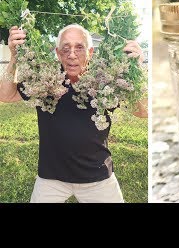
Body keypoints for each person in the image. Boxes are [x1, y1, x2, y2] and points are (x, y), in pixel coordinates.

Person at [0, 24, 148, 203]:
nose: (72, 54)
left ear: (90, 52)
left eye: (79, 47)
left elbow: (143, 111)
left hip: (97, 177)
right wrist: (14, 57)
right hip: (51, 177)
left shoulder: (105, 80)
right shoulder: (44, 78)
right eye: (65, 48)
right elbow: (6, 95)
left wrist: (137, 69)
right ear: (57, 52)